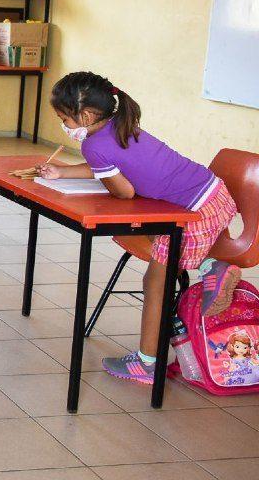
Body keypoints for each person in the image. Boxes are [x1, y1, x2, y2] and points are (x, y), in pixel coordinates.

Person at [40, 70, 239, 384]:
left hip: (195, 213)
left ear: (86, 115)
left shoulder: (95, 145)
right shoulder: (122, 123)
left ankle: (148, 363)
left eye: (65, 119)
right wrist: (63, 173)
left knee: (156, 282)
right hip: (214, 194)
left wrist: (86, 177)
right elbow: (109, 169)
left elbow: (124, 191)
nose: (64, 126)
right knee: (160, 259)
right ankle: (211, 267)